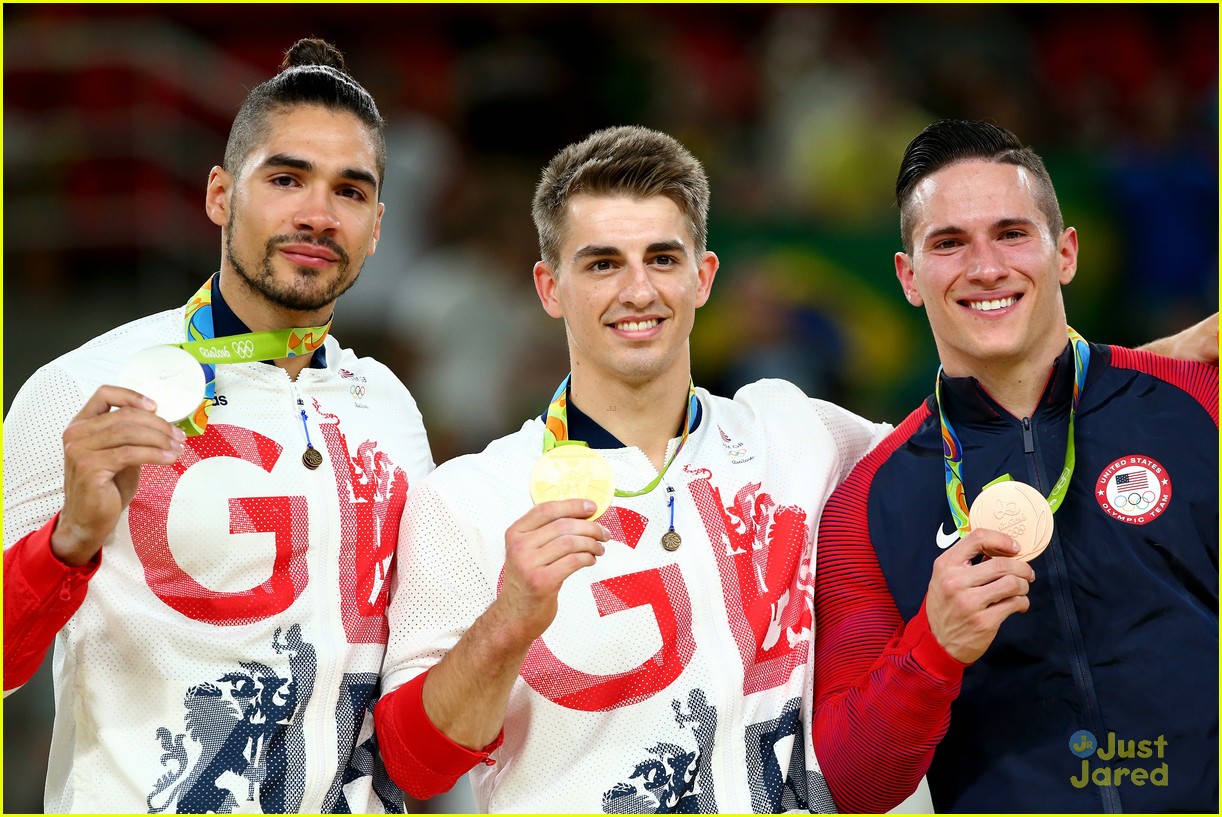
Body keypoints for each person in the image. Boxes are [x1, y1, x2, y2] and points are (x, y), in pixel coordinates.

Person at [372, 124, 895, 812]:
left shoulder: (796, 432)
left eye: (662, 258)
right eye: (602, 264)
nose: (638, 290)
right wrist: (509, 620)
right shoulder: (468, 497)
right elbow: (414, 767)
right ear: (549, 287)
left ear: (703, 277)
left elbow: (950, 453)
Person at [3, 39, 433, 813]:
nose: (317, 215)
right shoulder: (80, 388)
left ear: (375, 226)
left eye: (349, 191)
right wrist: (67, 543)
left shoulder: (391, 407)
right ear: (219, 195)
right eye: (286, 179)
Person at [811, 119, 1218, 813]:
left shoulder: (1198, 404)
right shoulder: (867, 502)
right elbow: (851, 785)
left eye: (1011, 233)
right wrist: (935, 648)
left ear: (1066, 253)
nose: (986, 268)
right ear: (909, 277)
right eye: (949, 243)